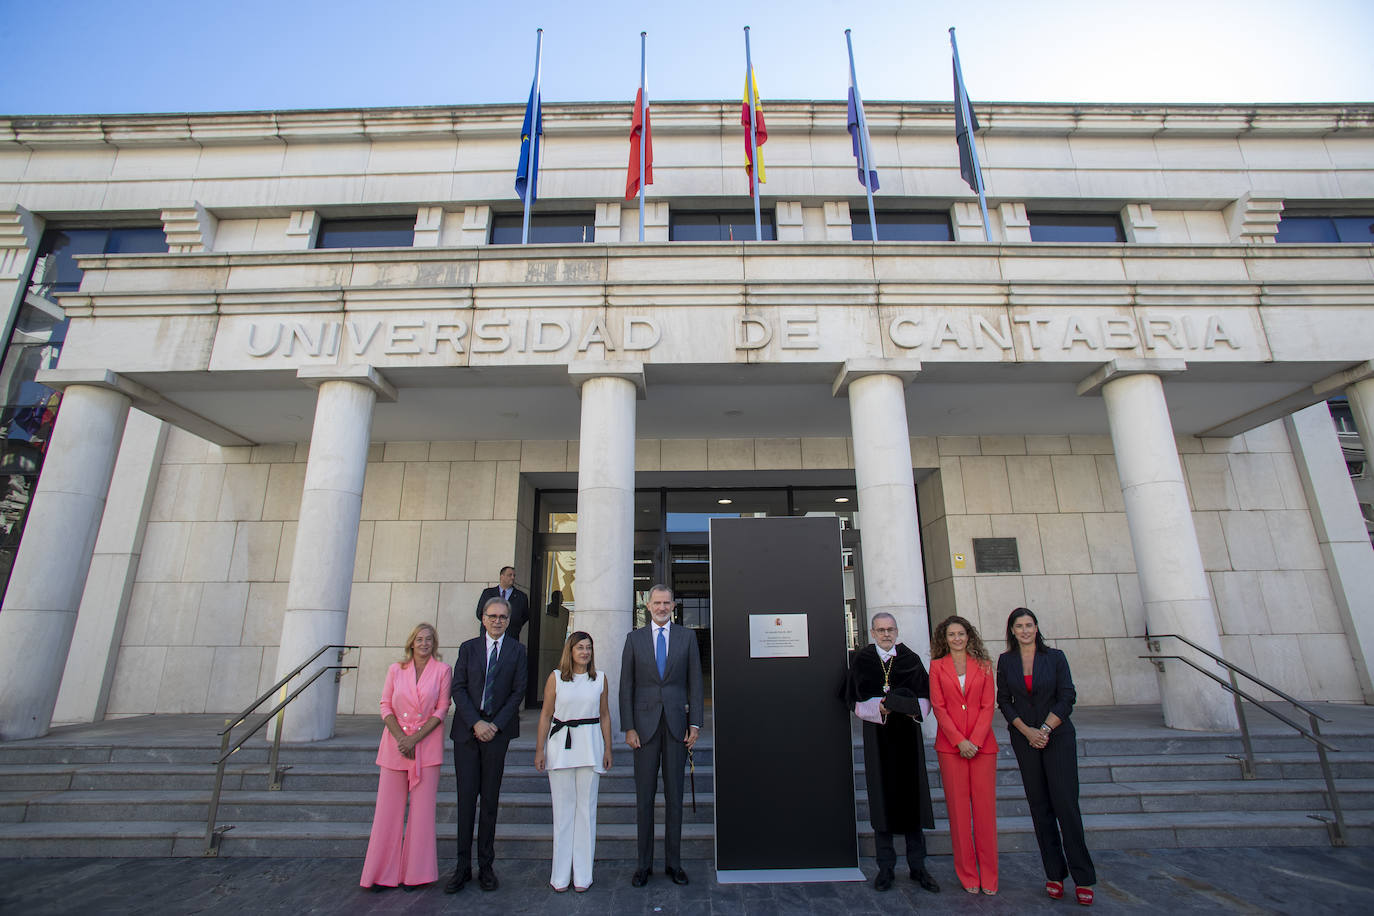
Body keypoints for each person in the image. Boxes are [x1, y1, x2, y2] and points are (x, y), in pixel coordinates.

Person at [996, 607, 1097, 906]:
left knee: (1066, 806)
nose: (1025, 630)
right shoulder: (1006, 661)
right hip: (1024, 739)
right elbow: (1004, 700)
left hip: (1057, 738)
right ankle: (1054, 873)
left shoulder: (1055, 658)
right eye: (1019, 626)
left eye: (1029, 625)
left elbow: (1068, 696)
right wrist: (1027, 732)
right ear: (1012, 631)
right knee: (1040, 808)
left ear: (1037, 628)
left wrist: (1044, 729)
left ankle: (1083, 877)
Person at [844, 612, 941, 894]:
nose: (886, 634)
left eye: (890, 629)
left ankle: (917, 866)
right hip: (879, 736)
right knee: (882, 798)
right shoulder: (862, 661)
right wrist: (881, 709)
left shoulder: (910, 659)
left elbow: (925, 698)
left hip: (907, 736)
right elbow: (853, 699)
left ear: (896, 632)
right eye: (881, 630)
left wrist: (906, 706)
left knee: (912, 798)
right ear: (872, 633)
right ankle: (885, 867)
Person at [620, 584, 703, 887]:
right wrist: (628, 727)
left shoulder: (687, 637)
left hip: (676, 729)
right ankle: (643, 865)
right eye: (657, 602)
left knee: (675, 798)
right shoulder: (634, 639)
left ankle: (674, 864)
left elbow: (695, 683)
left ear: (673, 606)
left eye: (667, 603)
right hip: (643, 731)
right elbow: (625, 686)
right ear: (647, 605)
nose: (662, 607)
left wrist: (695, 724)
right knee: (644, 800)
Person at [360, 623, 452, 891]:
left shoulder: (442, 671)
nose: (424, 643)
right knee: (387, 812)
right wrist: (402, 738)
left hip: (426, 748)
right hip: (395, 746)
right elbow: (385, 705)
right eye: (420, 639)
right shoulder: (395, 670)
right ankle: (380, 873)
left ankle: (416, 874)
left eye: (429, 639)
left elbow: (442, 708)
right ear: (411, 642)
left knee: (422, 814)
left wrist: (415, 738)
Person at [447, 596, 527, 893]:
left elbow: (519, 692)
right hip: (467, 734)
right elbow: (458, 688)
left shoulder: (518, 651)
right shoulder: (468, 649)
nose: (497, 621)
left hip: (497, 734)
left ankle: (486, 867)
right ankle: (461, 867)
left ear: (509, 620)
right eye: (492, 616)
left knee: (490, 803)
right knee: (466, 801)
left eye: (502, 617)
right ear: (483, 618)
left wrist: (494, 725)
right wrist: (476, 723)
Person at [534, 631, 613, 892]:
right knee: (563, 812)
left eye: (589, 648)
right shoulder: (555, 678)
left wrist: (608, 748)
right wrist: (540, 750)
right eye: (580, 647)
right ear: (570, 650)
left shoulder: (599, 679)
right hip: (561, 746)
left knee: (586, 812)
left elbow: (604, 716)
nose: (585, 652)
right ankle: (560, 876)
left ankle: (583, 875)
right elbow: (546, 715)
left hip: (590, 746)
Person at [929, 615, 999, 895]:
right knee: (959, 815)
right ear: (944, 639)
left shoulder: (983, 665)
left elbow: (987, 705)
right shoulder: (936, 667)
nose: (956, 639)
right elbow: (939, 706)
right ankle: (968, 874)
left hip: (982, 748)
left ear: (969, 636)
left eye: (961, 634)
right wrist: (960, 742)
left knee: (985, 814)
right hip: (951, 748)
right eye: (951, 635)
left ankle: (990, 877)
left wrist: (975, 741)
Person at [475, 566, 530, 642]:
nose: (512, 577)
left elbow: (525, 616)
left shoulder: (521, 596)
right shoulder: (488, 593)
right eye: (509, 575)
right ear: (502, 576)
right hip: (489, 637)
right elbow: (480, 613)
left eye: (514, 575)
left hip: (511, 636)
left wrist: (513, 625)